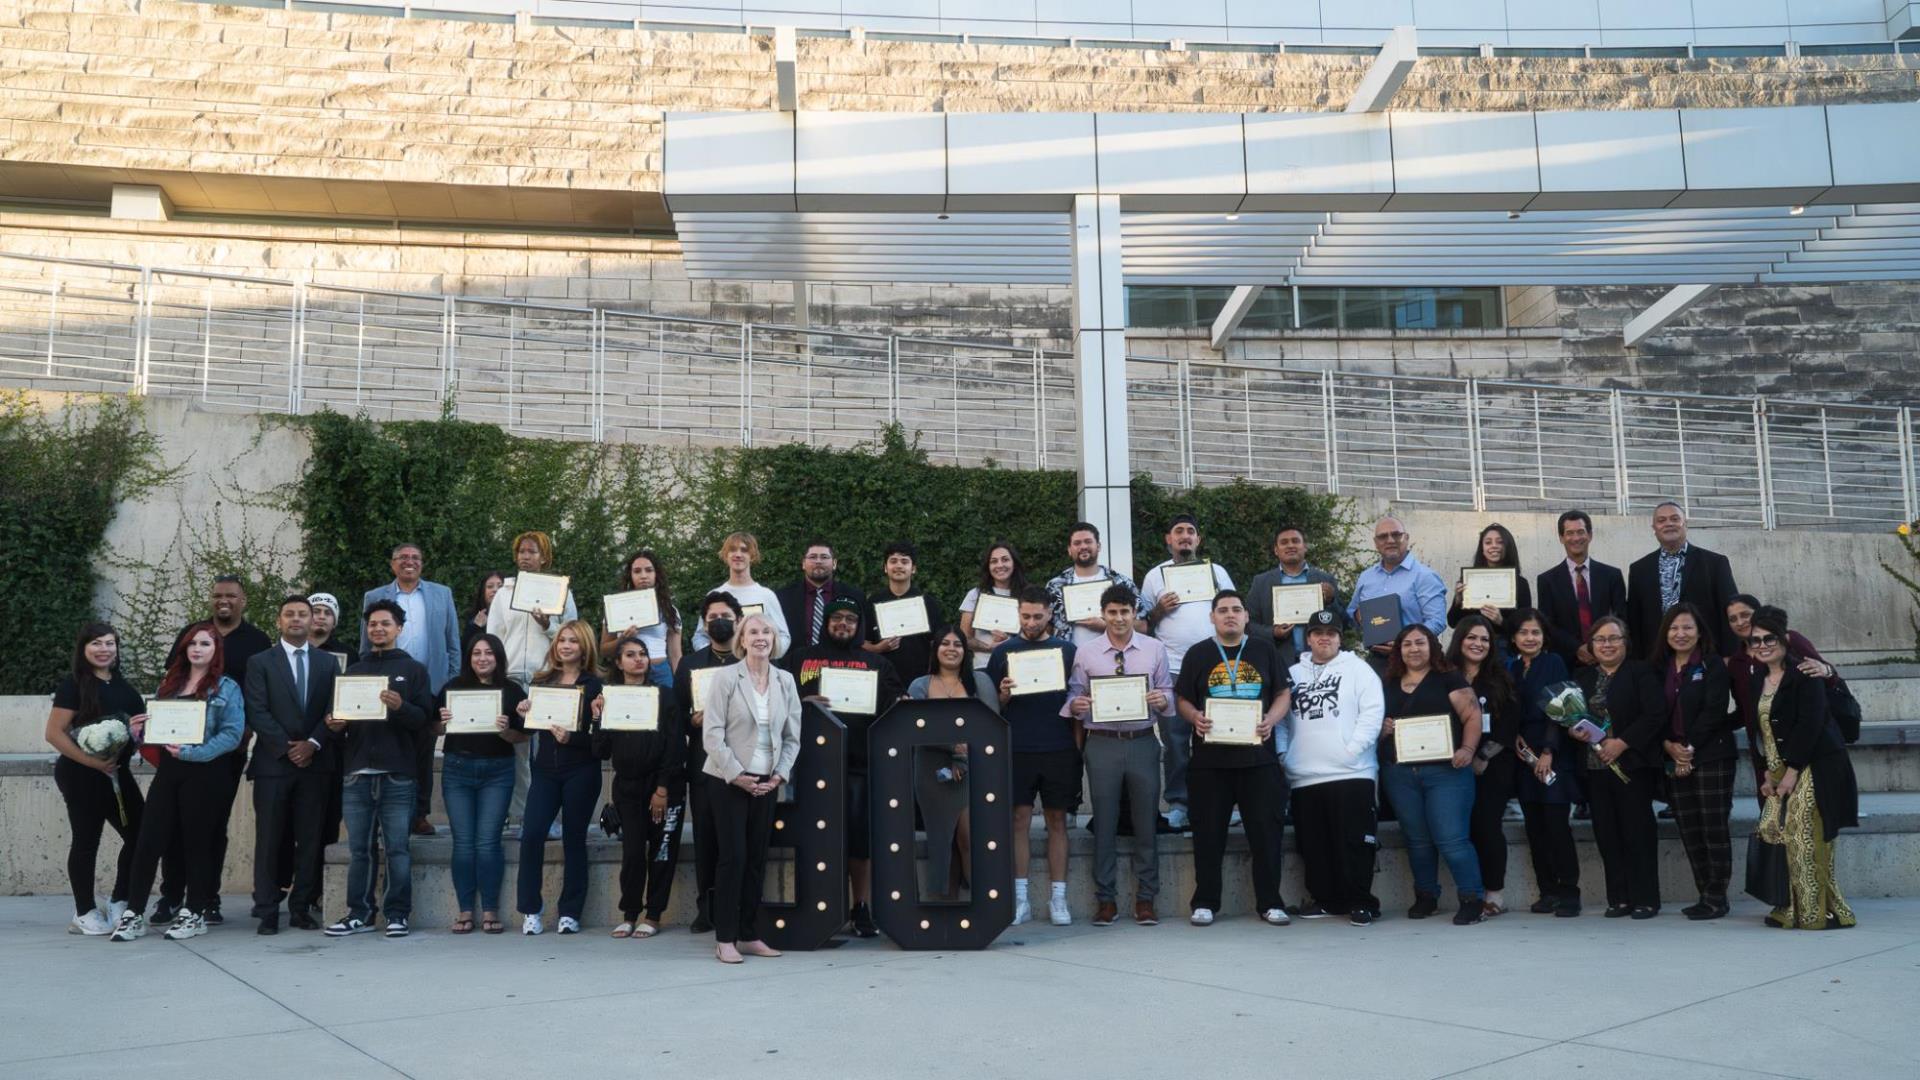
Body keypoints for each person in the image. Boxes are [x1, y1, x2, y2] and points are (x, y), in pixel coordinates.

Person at [110, 623, 246, 942]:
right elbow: (155, 733)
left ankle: (194, 912)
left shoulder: (227, 688)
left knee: (197, 843)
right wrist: (138, 731)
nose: (197, 649)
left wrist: (195, 753)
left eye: (205, 644)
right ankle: (134, 913)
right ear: (184, 649)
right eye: (192, 644)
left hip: (205, 772)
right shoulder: (169, 686)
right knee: (148, 842)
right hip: (170, 772)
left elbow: (232, 734)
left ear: (216, 651)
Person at [1172, 590, 1292, 927]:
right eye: (1222, 610)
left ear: (1246, 616)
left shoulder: (1264, 649)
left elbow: (1283, 692)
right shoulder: (1198, 654)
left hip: (1259, 761)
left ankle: (1270, 902)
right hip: (1210, 763)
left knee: (1266, 835)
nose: (1229, 615)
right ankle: (1206, 901)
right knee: (1208, 835)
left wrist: (1273, 719)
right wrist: (1194, 715)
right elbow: (1181, 697)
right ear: (1212, 617)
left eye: (1236, 610)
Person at [788, 596, 906, 937]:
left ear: (860, 626)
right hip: (810, 765)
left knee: (859, 841)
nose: (843, 624)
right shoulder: (801, 658)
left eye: (850, 620)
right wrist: (802, 701)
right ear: (826, 622)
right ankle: (822, 907)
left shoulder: (876, 664)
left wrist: (901, 704)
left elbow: (893, 708)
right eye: (837, 618)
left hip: (860, 764)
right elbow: (777, 698)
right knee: (816, 839)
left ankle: (861, 906)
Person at [161, 574, 271, 927]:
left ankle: (207, 897)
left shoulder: (257, 641)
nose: (224, 601)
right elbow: (172, 682)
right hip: (180, 749)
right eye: (218, 595)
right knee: (174, 825)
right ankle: (170, 896)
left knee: (212, 825)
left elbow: (260, 693)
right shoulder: (193, 633)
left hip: (227, 750)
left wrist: (246, 732)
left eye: (232, 596)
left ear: (243, 601)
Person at [1063, 584, 1173, 928]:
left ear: (1135, 612)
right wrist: (1076, 706)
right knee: (1105, 823)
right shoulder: (1087, 652)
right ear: (1103, 614)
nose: (1119, 618)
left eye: (1125, 611)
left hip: (1142, 741)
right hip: (1103, 743)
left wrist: (1162, 701)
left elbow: (1167, 691)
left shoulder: (1154, 649)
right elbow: (1074, 694)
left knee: (1145, 822)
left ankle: (1146, 899)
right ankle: (1105, 900)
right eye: (1112, 612)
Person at [323, 600, 433, 938]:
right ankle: (360, 913)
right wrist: (333, 724)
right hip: (357, 773)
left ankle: (398, 914)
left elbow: (424, 721)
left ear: (399, 629)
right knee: (360, 850)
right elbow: (335, 718)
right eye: (373, 624)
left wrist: (401, 707)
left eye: (385, 623)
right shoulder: (352, 671)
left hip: (398, 773)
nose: (378, 629)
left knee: (398, 848)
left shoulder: (413, 670)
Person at [1744, 607, 1858, 930]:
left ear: (1783, 640)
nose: (1763, 645)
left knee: (1806, 837)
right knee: (1779, 833)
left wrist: (1791, 770)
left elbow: (1812, 724)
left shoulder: (1804, 673)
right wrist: (1768, 772)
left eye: (1769, 639)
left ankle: (1819, 913)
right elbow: (1762, 729)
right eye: (1756, 641)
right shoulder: (1758, 678)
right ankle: (1789, 907)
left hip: (1814, 765)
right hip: (1780, 768)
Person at [702, 612, 802, 964]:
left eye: (767, 632)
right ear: (741, 639)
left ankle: (748, 934)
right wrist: (736, 774)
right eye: (754, 631)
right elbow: (711, 733)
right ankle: (725, 938)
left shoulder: (786, 680)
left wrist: (778, 776)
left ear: (774, 639)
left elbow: (792, 738)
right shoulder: (726, 677)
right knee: (734, 858)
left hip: (767, 782)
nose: (761, 637)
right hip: (727, 779)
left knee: (757, 859)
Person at [1280, 609, 1385, 926]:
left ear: (1340, 638)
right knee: (1314, 845)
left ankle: (1361, 902)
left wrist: (1351, 751)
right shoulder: (1293, 674)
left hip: (1352, 772)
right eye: (1317, 633)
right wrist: (1285, 755)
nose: (1323, 638)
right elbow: (1281, 720)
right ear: (1308, 638)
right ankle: (1326, 900)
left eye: (1331, 633)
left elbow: (1372, 713)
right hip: (1304, 775)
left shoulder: (1359, 670)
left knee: (1354, 842)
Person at [1378, 624, 1487, 926]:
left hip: (1446, 772)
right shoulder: (1387, 682)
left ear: (1432, 647)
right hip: (1400, 773)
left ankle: (1472, 899)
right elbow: (1371, 719)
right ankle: (1426, 896)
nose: (1414, 649)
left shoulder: (1448, 678)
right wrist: (1382, 728)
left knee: (1451, 838)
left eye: (1420, 643)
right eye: (1407, 644)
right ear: (1398, 650)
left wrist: (1467, 748)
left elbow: (1472, 715)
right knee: (1417, 840)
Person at [244, 595, 339, 935]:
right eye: (290, 614)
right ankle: (267, 909)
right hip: (274, 764)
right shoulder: (260, 662)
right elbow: (257, 710)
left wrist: (312, 744)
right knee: (270, 839)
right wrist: (288, 748)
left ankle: (301, 907)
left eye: (303, 614)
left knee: (310, 840)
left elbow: (333, 708)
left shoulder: (328, 663)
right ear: (279, 621)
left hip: (316, 764)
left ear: (313, 620)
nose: (296, 619)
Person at [45, 622, 147, 937]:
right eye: (96, 644)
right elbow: (54, 733)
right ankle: (84, 911)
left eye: (109, 643)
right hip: (80, 775)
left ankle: (119, 899)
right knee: (87, 841)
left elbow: (135, 735)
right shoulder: (74, 684)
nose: (104, 649)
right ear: (84, 649)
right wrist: (92, 762)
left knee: (140, 834)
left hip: (117, 773)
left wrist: (138, 735)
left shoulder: (125, 687)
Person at [987, 586, 1079, 926]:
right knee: (1018, 822)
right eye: (1025, 616)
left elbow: (1077, 698)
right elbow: (994, 707)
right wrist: (1004, 694)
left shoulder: (1068, 651)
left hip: (1057, 746)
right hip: (1018, 747)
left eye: (1037, 616)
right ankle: (1020, 898)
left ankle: (1059, 898)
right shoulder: (1003, 652)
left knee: (1058, 822)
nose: (1031, 622)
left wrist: (1076, 746)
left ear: (1050, 615)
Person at [1139, 514, 1235, 833]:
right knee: (1176, 740)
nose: (1185, 536)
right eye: (1178, 531)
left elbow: (1232, 609)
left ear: (1198, 540)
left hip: (1215, 666)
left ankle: (1223, 801)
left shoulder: (1216, 572)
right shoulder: (1155, 576)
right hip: (1173, 669)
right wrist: (1158, 610)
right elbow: (1142, 624)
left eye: (1190, 532)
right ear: (1169, 539)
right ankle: (1179, 803)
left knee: (1220, 737)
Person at [362, 542, 461, 838]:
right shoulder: (375, 596)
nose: (409, 561)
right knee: (384, 749)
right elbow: (365, 644)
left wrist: (448, 686)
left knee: (423, 753)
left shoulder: (441, 594)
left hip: (428, 686)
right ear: (392, 564)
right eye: (402, 557)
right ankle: (383, 814)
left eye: (415, 557)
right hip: (384, 686)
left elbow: (453, 644)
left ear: (422, 563)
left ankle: (419, 814)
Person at [1572, 615, 1666, 919]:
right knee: (1607, 834)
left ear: (1625, 642)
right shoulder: (1582, 677)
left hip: (1631, 766)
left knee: (1637, 833)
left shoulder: (1641, 672)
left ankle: (1646, 898)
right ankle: (1619, 898)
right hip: (1595, 768)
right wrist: (1572, 729)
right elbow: (1573, 717)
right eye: (1600, 639)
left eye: (1614, 638)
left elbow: (1654, 715)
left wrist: (1622, 742)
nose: (1607, 645)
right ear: (1591, 645)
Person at [515, 619, 604, 935]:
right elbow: (534, 726)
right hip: (545, 771)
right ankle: (530, 910)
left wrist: (574, 738)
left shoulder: (595, 685)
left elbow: (600, 739)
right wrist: (525, 712)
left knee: (574, 839)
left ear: (584, 647)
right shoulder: (542, 680)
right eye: (562, 640)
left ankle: (570, 912)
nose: (566, 645)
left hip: (582, 770)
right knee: (532, 835)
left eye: (573, 641)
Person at [594, 636, 686, 938]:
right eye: (630, 654)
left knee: (661, 852)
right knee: (632, 852)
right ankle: (630, 912)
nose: (638, 659)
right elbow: (601, 750)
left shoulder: (666, 695)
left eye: (643, 654)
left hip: (664, 785)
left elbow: (674, 746)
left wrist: (662, 790)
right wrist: (598, 717)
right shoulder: (610, 697)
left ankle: (655, 914)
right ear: (618, 662)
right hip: (628, 787)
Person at [1650, 603, 1737, 920]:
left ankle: (1717, 896)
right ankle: (1705, 893)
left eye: (1687, 627)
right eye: (1674, 628)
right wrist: (1669, 747)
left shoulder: (1712, 665)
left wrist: (1687, 748)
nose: (1680, 633)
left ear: (1699, 632)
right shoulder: (1659, 668)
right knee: (1689, 828)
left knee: (1713, 828)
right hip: (1672, 756)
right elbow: (1652, 712)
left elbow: (1714, 711)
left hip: (1711, 755)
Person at [435, 632, 526, 936]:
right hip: (457, 769)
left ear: (498, 657)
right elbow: (431, 727)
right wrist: (441, 723)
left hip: (498, 770)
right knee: (463, 841)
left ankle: (489, 909)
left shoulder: (512, 691)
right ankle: (464, 910)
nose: (482, 658)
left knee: (488, 841)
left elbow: (523, 736)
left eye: (489, 653)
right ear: (468, 657)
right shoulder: (452, 687)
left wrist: (505, 731)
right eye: (476, 653)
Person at [488, 530, 579, 831]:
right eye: (522, 552)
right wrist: (495, 677)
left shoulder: (560, 591)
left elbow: (572, 637)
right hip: (512, 677)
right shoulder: (504, 593)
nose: (526, 557)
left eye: (532, 552)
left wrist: (548, 625)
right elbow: (495, 637)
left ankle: (549, 818)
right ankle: (521, 817)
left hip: (548, 678)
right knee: (517, 753)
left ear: (544, 557)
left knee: (548, 751)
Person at [676, 592, 746, 934]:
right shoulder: (690, 665)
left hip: (745, 764)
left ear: (738, 620)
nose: (719, 620)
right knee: (706, 838)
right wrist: (693, 720)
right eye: (713, 616)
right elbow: (677, 717)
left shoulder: (751, 662)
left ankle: (740, 906)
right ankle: (706, 907)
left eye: (726, 615)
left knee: (739, 839)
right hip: (703, 764)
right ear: (705, 624)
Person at [907, 627, 995, 899]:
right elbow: (914, 728)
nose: (951, 648)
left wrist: (964, 753)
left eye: (958, 644)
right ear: (936, 650)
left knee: (967, 837)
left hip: (974, 768)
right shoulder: (920, 685)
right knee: (940, 839)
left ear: (965, 651)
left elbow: (992, 725)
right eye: (945, 643)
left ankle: (981, 901)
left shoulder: (980, 682)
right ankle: (944, 901)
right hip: (931, 770)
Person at [1506, 609, 1582, 916]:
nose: (1529, 638)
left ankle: (1569, 893)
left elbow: (1561, 707)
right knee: (1534, 828)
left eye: (1535, 632)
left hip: (1553, 752)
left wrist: (1549, 750)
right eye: (1524, 632)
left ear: (1544, 636)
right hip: (1523, 755)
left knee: (1556, 826)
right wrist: (1512, 738)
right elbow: (1507, 710)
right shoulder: (1510, 667)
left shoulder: (1554, 662)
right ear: (1514, 637)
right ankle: (1547, 890)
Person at [1448, 616, 1521, 917]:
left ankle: (1494, 893)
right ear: (1459, 640)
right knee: (1458, 831)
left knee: (1486, 827)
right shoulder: (1445, 676)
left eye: (1484, 639)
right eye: (1471, 638)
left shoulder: (1501, 678)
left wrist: (1482, 757)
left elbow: (1509, 725)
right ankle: (1470, 892)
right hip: (1452, 765)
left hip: (1492, 766)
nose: (1478, 644)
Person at [1625, 501, 1740, 659]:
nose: (1669, 524)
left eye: (1675, 519)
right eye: (1661, 520)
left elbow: (1730, 610)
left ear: (1685, 524)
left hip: (1704, 654)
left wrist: (1730, 655)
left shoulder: (1715, 563)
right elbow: (1635, 620)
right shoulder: (1639, 569)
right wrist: (1637, 661)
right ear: (1654, 529)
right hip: (1656, 658)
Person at [1245, 523, 1344, 670]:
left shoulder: (1325, 579)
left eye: (1295, 541)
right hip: (1277, 661)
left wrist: (1330, 600)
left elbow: (1343, 622)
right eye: (1284, 542)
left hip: (1320, 661)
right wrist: (1273, 632)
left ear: (1305, 547)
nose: (1290, 545)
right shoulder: (1261, 582)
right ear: (1276, 550)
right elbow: (1248, 625)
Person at [1535, 510, 1626, 669]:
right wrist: (1577, 648)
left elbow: (1621, 616)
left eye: (1580, 532)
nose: (1576, 538)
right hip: (1567, 662)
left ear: (1590, 535)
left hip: (1608, 659)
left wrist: (1599, 646)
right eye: (1569, 533)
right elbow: (1547, 625)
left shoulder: (1612, 575)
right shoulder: (1547, 580)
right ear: (1561, 538)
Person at [1727, 594, 1837, 723]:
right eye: (1733, 619)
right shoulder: (1735, 662)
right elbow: (1744, 709)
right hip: (1762, 738)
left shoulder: (1790, 640)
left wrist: (1826, 671)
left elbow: (1827, 677)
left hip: (1803, 731)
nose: (1740, 622)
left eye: (1745, 615)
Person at [1347, 516, 1447, 656]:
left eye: (1396, 535)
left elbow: (1437, 621)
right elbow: (1351, 613)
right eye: (1383, 536)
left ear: (1406, 538)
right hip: (1378, 660)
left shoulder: (1425, 576)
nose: (1390, 540)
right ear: (1376, 543)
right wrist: (1359, 616)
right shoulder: (1366, 577)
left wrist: (1405, 642)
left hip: (1415, 658)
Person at [690, 532, 791, 658]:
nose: (738, 554)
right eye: (732, 550)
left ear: (752, 556)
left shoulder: (766, 595)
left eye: (744, 550)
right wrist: (715, 658)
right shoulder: (715, 595)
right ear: (726, 555)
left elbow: (783, 636)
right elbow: (700, 637)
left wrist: (766, 658)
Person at [1046, 521, 1144, 647]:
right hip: (1070, 660)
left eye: (1088, 541)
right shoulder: (1055, 587)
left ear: (1098, 546)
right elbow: (1045, 627)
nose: (1083, 546)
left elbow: (1143, 626)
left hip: (1114, 659)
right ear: (1069, 550)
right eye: (1077, 543)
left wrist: (1107, 625)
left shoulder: (1121, 583)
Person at [864, 540, 945, 686]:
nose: (899, 566)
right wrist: (878, 648)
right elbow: (862, 644)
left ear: (913, 568)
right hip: (882, 680)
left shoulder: (927, 602)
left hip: (920, 681)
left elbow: (937, 644)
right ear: (885, 567)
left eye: (904, 561)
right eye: (893, 561)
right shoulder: (873, 602)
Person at [600, 549, 684, 686]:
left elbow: (675, 654)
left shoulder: (670, 609)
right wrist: (623, 639)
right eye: (637, 571)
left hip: (660, 673)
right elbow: (604, 650)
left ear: (657, 574)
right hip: (627, 673)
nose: (643, 576)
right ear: (630, 575)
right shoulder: (616, 608)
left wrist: (681, 683)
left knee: (666, 707)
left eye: (649, 570)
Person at [774, 539, 868, 652]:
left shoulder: (855, 596)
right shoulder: (783, 597)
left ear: (834, 563)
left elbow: (860, 637)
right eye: (813, 557)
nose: (818, 561)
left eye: (824, 557)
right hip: (795, 665)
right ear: (803, 564)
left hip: (840, 665)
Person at [1446, 523, 1534, 641]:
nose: (1494, 546)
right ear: (1482, 549)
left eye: (1500, 542)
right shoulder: (1469, 580)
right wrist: (1458, 601)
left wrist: (1501, 621)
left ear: (1508, 546)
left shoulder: (1520, 584)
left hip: (1504, 649)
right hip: (1473, 646)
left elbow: (1524, 628)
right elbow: (1453, 622)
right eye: (1488, 542)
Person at [958, 541, 1029, 667]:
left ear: (1014, 563)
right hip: (984, 666)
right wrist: (989, 648)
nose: (1000, 565)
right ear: (988, 566)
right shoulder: (975, 595)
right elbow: (964, 638)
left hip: (1021, 665)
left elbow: (1038, 633)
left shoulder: (1028, 595)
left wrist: (1011, 642)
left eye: (1005, 560)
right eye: (994, 561)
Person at [307, 593, 354, 672]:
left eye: (328, 613)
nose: (322, 617)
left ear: (334, 622)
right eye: (316, 612)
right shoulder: (291, 649)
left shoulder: (349, 654)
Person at [462, 571, 504, 657]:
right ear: (483, 592)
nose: (495, 590)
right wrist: (476, 627)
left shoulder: (514, 615)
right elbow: (465, 649)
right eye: (490, 586)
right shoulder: (474, 617)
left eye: (500, 586)